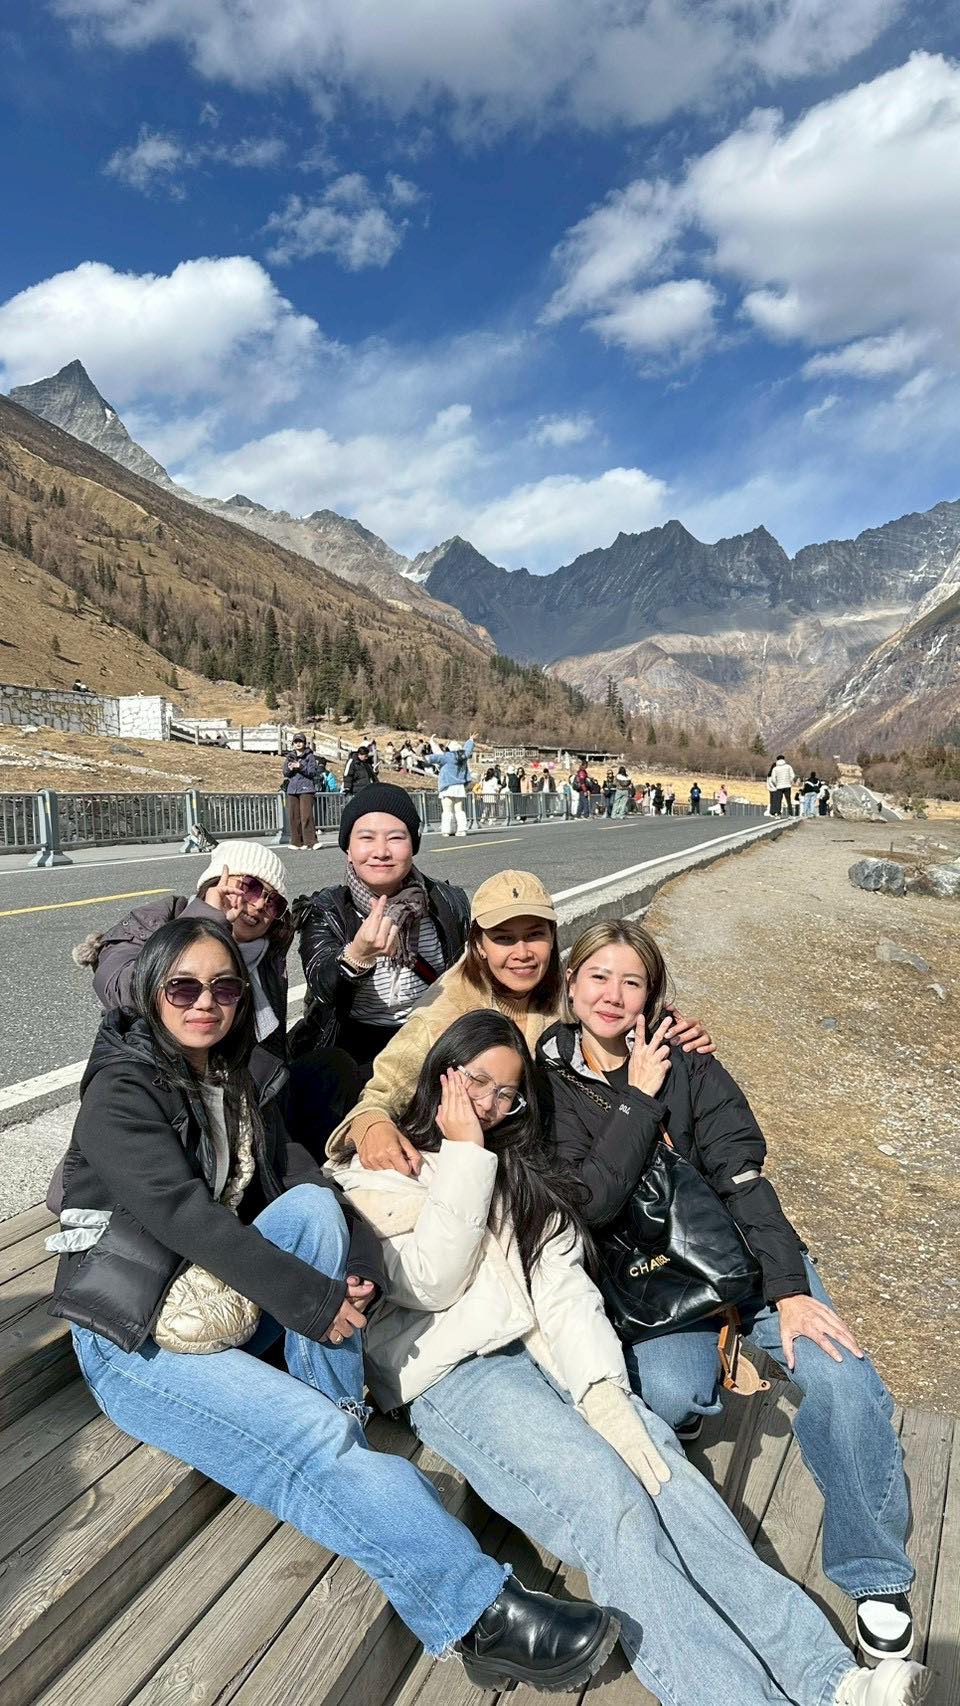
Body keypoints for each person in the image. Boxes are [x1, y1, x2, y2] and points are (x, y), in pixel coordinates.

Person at [48, 917, 615, 1694]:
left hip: (212, 1300)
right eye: (183, 987)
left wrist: (354, 1269)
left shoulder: (234, 1074)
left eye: (224, 986)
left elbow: (303, 1178)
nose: (206, 1002)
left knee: (316, 1212)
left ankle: (340, 1419)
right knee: (310, 1440)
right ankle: (478, 1617)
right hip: (134, 1334)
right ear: (151, 992)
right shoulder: (119, 1092)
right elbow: (187, 1218)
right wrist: (314, 1303)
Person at [330, 1010, 926, 1706]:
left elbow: (562, 1290)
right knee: (607, 1503)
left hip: (549, 1354)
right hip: (458, 1375)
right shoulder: (376, 1168)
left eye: (507, 1094)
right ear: (441, 1072)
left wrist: (603, 1391)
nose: (487, 1104)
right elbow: (429, 1282)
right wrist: (464, 1155)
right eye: (476, 1082)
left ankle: (830, 1681)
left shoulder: (518, 1171)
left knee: (668, 1480)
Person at [536, 919, 916, 1665]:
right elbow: (590, 1202)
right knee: (666, 1393)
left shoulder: (690, 1062)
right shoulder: (544, 1085)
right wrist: (637, 1099)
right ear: (571, 985)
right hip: (651, 1279)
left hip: (741, 1252)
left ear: (653, 995)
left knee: (842, 1377)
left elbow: (742, 1173)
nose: (613, 995)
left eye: (632, 981)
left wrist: (788, 1289)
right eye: (598, 976)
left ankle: (874, 1571)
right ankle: (689, 1410)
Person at [326, 871, 712, 1175]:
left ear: (553, 937)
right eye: (504, 938)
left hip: (571, 1160)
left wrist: (674, 1032)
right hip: (474, 1167)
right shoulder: (444, 1012)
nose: (523, 953)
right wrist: (371, 1124)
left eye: (534, 935)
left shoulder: (573, 993)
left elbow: (624, 1014)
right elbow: (380, 1095)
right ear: (479, 944)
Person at [293, 784, 469, 1080]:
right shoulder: (327, 909)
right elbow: (322, 987)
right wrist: (357, 956)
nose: (381, 852)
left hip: (432, 1040)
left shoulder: (447, 902)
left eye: (396, 838)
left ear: (413, 846)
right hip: (356, 1047)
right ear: (348, 850)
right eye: (366, 838)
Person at [75, 842, 292, 1068]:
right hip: (159, 1072)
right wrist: (205, 922)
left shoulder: (268, 954)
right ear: (215, 882)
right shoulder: (153, 921)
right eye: (251, 887)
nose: (260, 904)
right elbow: (122, 993)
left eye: (274, 902)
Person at [423, 736, 475, 838]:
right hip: (459, 787)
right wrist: (470, 740)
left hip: (447, 786)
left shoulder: (446, 756)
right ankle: (462, 830)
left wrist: (426, 755)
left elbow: (434, 757)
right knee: (459, 810)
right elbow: (468, 750)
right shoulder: (463, 757)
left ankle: (447, 830)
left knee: (447, 810)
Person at [283, 733, 320, 851]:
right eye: (296, 742)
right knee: (294, 817)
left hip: (306, 789)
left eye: (300, 741)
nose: (298, 744)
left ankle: (311, 842)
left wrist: (300, 766)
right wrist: (289, 768)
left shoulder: (310, 756)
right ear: (293, 744)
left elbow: (313, 772)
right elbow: (285, 772)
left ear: (304, 743)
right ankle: (297, 842)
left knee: (306, 816)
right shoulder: (289, 756)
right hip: (292, 790)